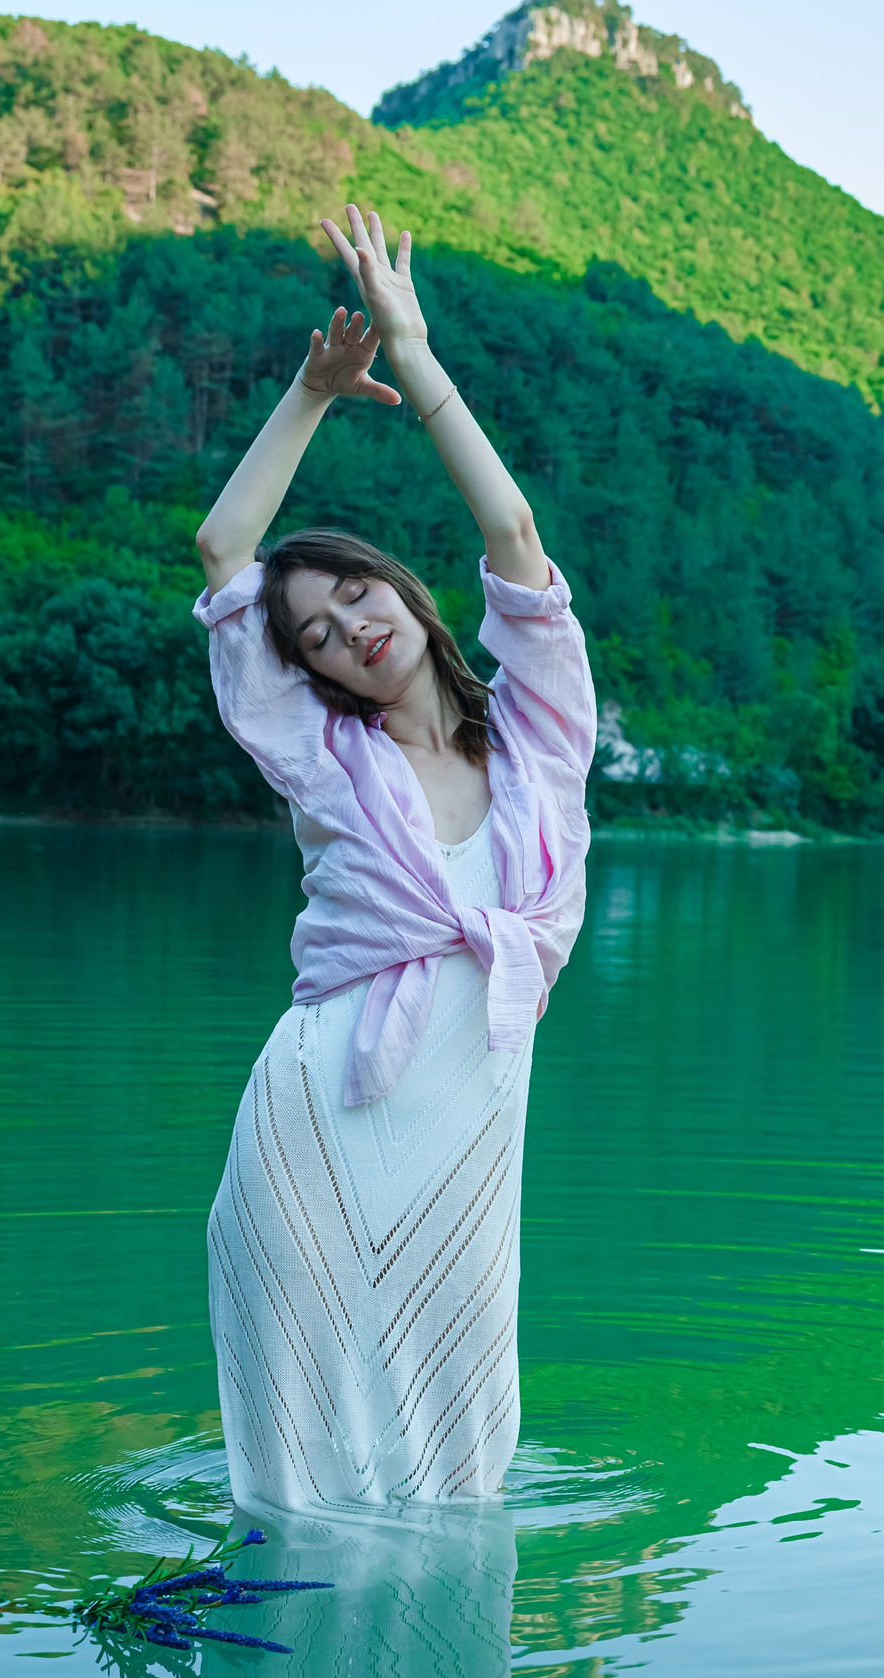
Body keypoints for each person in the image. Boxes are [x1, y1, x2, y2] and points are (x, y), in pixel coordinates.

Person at [190, 206, 593, 1507]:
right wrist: (310, 396)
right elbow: (223, 554)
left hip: (469, 1137)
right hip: (316, 1123)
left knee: (455, 1468)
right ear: (299, 671)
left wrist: (413, 357)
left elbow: (520, 543)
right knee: (297, 1474)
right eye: (310, 633)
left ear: (408, 594)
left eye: (356, 593)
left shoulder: (539, 747)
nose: (343, 628)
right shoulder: (325, 764)